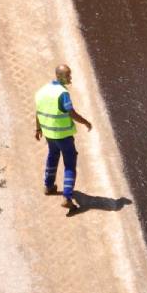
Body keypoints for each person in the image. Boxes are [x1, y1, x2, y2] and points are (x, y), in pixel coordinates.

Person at [34, 64, 93, 212]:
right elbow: (71, 113)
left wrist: (38, 128)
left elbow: (38, 111)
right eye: (68, 75)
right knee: (70, 164)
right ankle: (67, 197)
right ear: (60, 77)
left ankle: (48, 186)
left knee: (52, 156)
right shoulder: (63, 94)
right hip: (63, 135)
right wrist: (86, 122)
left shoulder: (42, 91)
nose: (70, 78)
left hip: (49, 134)